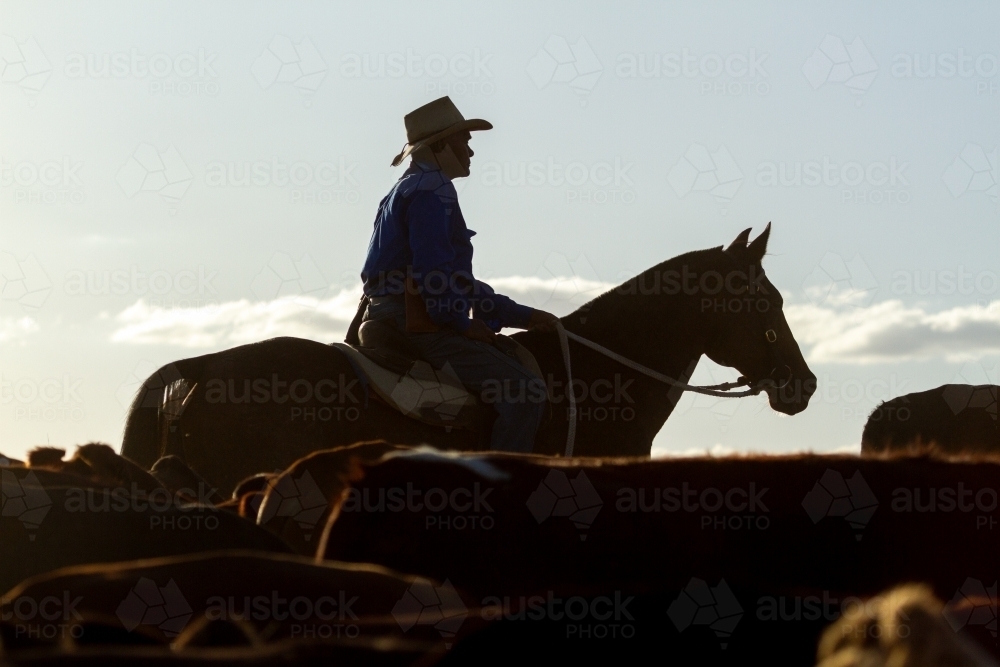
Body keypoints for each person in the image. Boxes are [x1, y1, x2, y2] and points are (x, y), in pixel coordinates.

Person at [358, 96, 558, 453]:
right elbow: (434, 275)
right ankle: (500, 495)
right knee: (524, 391)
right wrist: (460, 323)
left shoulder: (399, 191)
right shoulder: (434, 190)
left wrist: (519, 315)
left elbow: (451, 280)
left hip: (381, 314)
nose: (470, 151)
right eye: (463, 141)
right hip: (414, 321)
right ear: (439, 145)